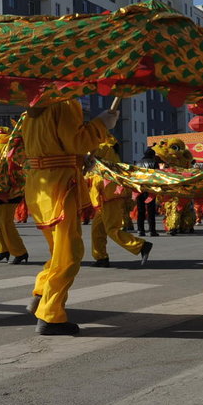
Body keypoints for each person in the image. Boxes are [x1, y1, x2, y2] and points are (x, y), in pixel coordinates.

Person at [23, 99, 118, 335]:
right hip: (60, 185)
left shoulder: (32, 107)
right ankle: (51, 315)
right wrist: (101, 125)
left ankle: (43, 291)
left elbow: (56, 146)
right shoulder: (64, 104)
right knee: (69, 254)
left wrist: (78, 159)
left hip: (40, 183)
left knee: (58, 250)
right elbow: (76, 141)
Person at [89, 137, 152, 268]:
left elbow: (89, 155)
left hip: (111, 198)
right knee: (97, 230)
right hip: (104, 199)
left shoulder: (105, 148)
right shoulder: (105, 150)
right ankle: (101, 258)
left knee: (112, 229)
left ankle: (141, 245)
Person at [0, 126, 28, 264]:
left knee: (5, 222)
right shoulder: (8, 147)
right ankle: (4, 249)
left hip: (8, 190)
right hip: (6, 189)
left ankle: (20, 252)